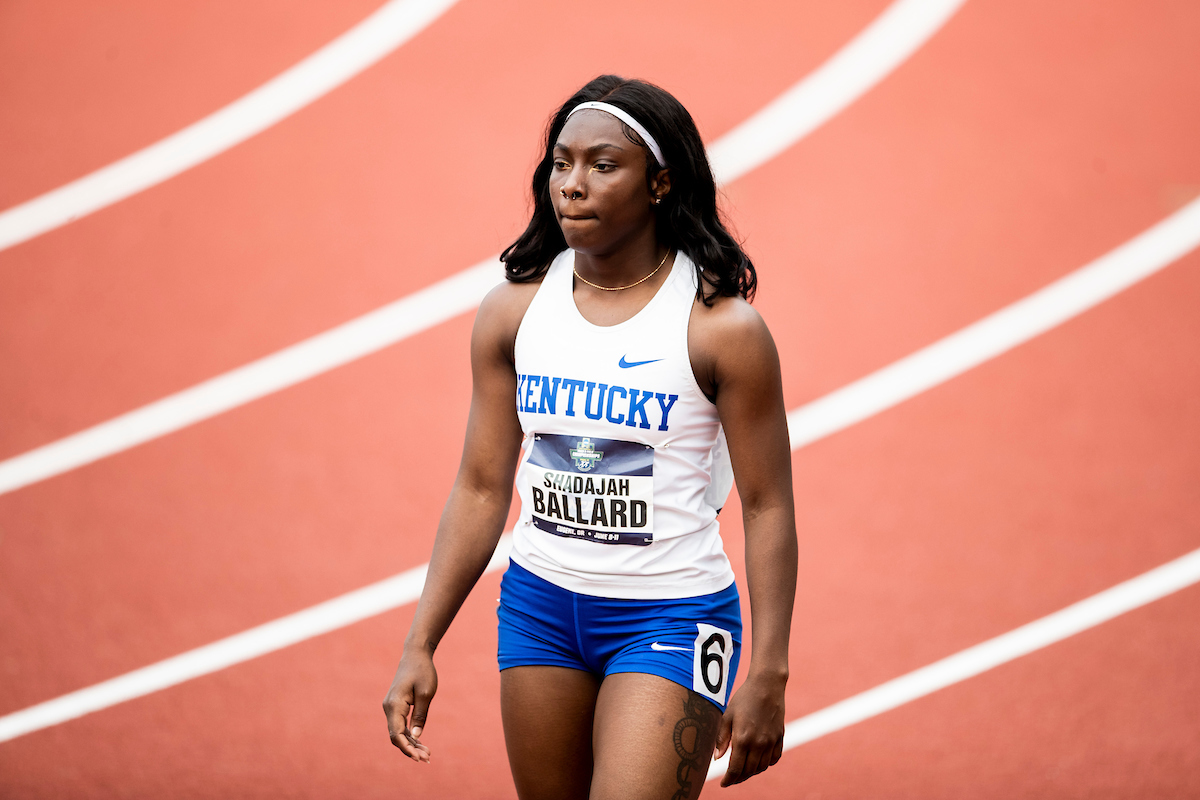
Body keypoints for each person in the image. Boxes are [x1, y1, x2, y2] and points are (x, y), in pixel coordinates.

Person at [383, 75, 797, 800]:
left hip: (673, 614)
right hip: (539, 610)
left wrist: (768, 670)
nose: (571, 185)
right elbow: (481, 487)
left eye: (602, 165)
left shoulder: (720, 330)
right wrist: (421, 641)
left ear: (661, 183)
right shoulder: (512, 314)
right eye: (561, 163)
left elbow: (767, 507)